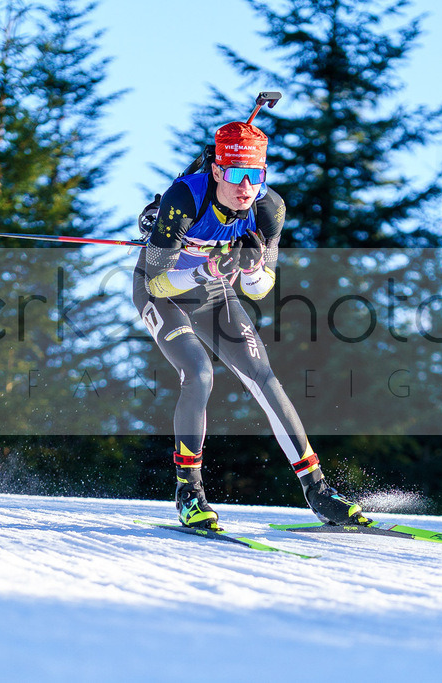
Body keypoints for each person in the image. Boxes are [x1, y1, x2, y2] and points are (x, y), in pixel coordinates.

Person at [133, 120, 367, 530]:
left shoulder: (267, 208)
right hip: (163, 293)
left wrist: (253, 265)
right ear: (218, 171)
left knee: (263, 374)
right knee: (199, 372)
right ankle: (190, 492)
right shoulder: (184, 199)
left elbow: (259, 291)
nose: (246, 186)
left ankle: (317, 489)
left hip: (212, 296)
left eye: (255, 174)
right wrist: (209, 268)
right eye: (237, 174)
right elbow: (156, 279)